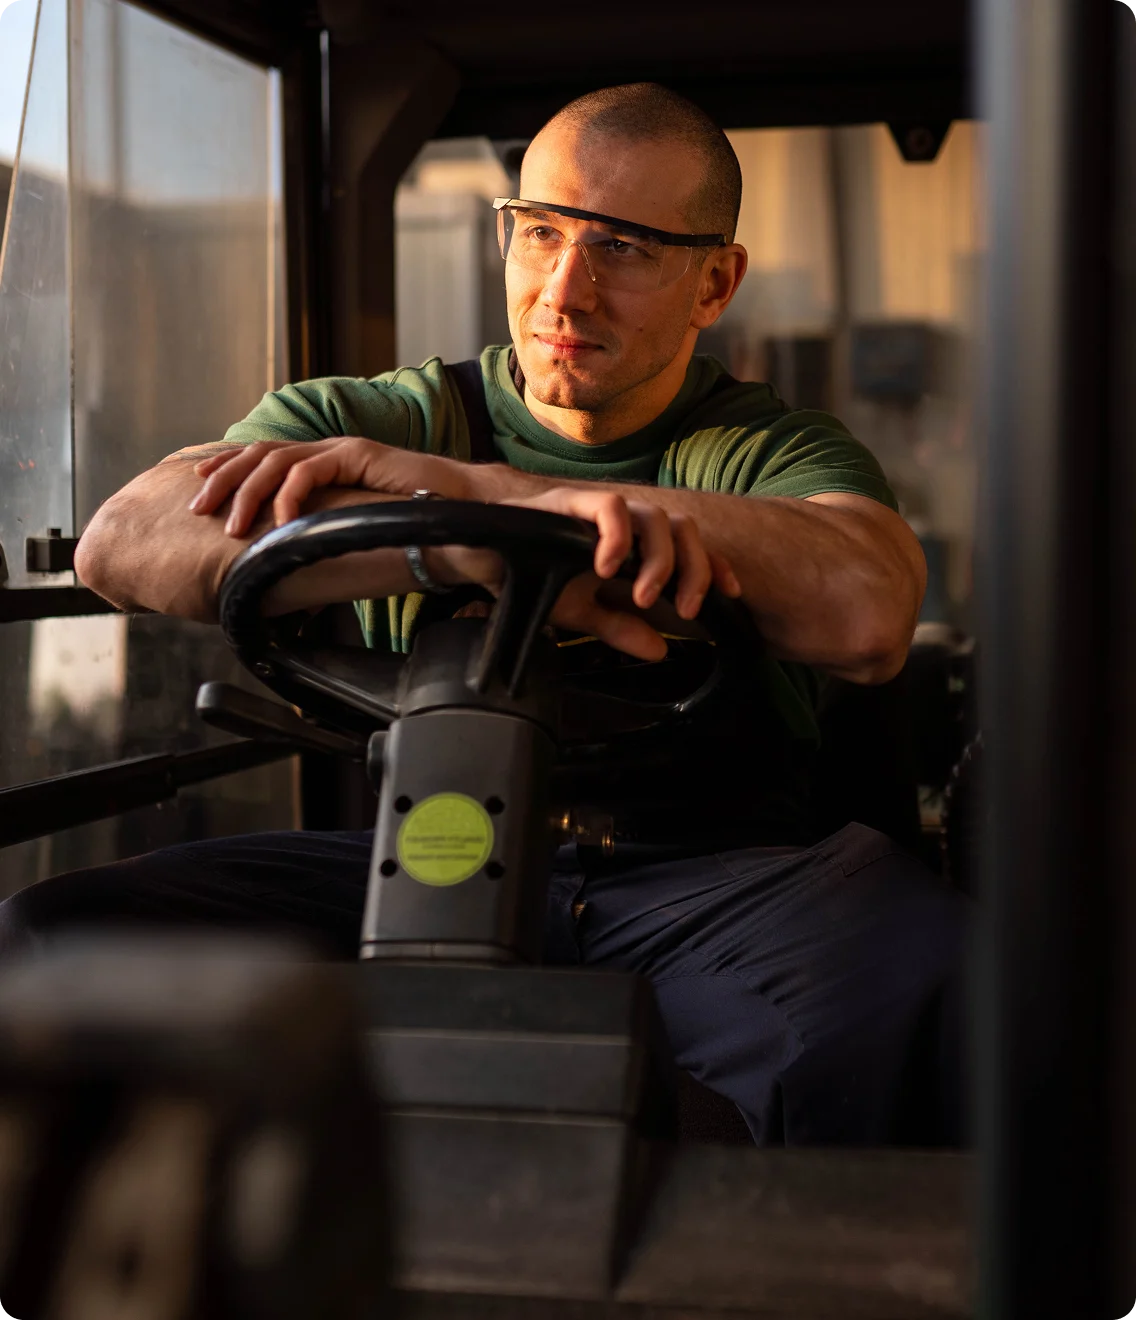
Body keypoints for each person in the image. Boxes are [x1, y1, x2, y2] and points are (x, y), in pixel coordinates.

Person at [0, 84, 968, 1145]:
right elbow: (121, 543)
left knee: (917, 985)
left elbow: (868, 610)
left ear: (713, 283)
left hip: (714, 885)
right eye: (540, 232)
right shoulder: (371, 417)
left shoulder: (760, 453)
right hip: (424, 859)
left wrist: (488, 498)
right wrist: (446, 538)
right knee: (56, 940)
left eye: (626, 249)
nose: (565, 290)